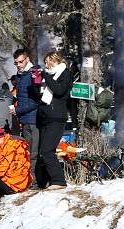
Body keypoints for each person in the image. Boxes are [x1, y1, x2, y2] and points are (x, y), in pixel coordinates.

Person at [31, 50, 72, 190]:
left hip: (57, 117)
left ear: (55, 61)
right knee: (45, 150)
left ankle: (59, 181)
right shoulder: (48, 76)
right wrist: (35, 82)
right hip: (45, 117)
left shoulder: (65, 74)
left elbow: (59, 90)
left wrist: (45, 77)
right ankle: (53, 180)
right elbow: (39, 96)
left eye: (47, 62)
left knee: (47, 150)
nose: (46, 66)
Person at [10, 48, 41, 188]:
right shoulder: (21, 75)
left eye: (21, 62)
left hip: (33, 120)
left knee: (32, 154)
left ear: (27, 59)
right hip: (25, 120)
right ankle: (29, 182)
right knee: (28, 153)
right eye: (16, 63)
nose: (19, 65)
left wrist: (17, 109)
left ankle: (33, 184)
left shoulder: (34, 73)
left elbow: (35, 101)